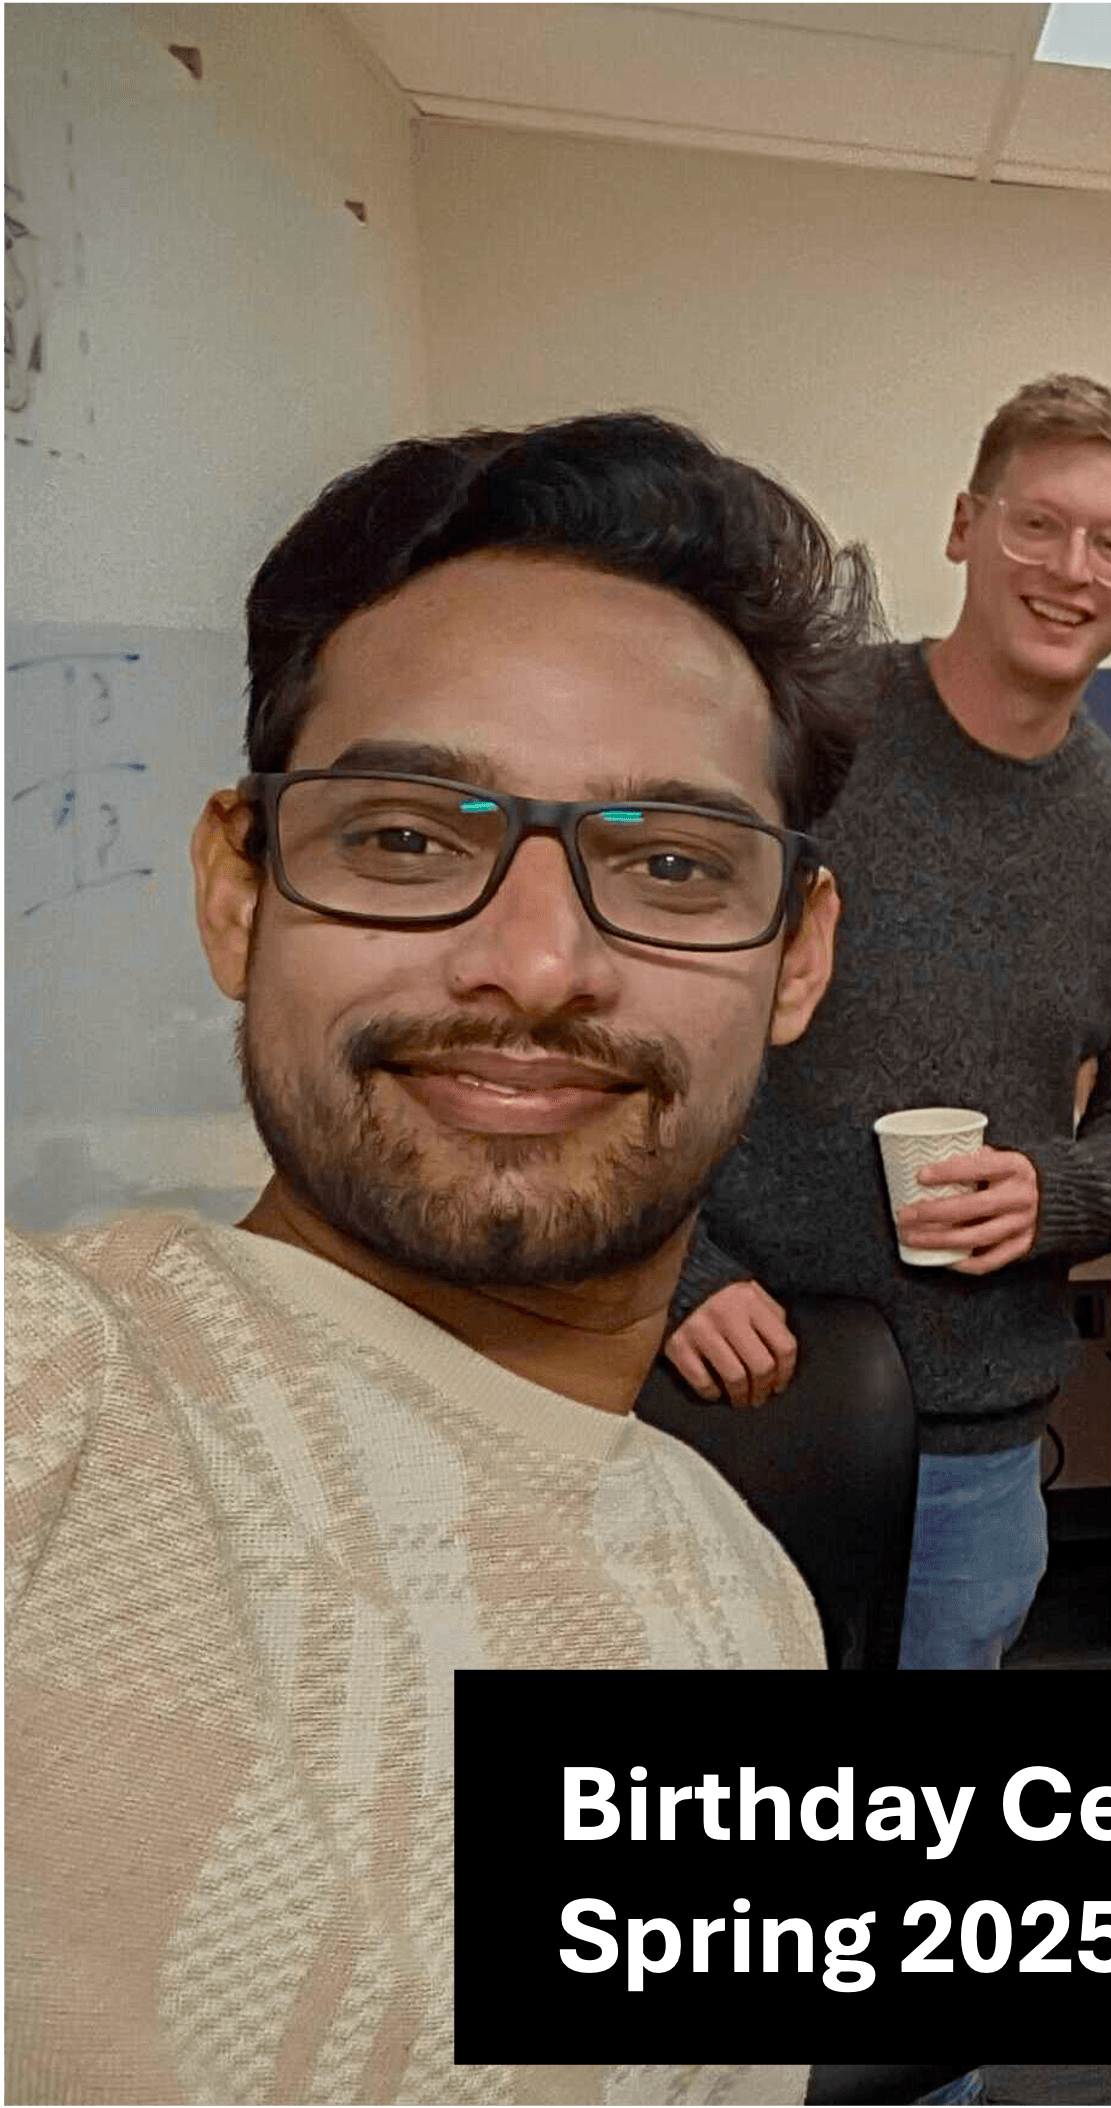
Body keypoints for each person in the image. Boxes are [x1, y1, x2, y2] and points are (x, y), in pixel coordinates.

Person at [3, 410, 880, 2103]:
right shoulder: (61, 1396)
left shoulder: (750, 1591)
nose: (536, 960)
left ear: (795, 957)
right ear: (239, 890)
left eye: (674, 862)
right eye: (407, 836)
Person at [665, 373, 1111, 1671]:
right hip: (729, 1376)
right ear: (965, 524)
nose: (1070, 569)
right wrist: (674, 1270)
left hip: (974, 1424)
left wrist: (1061, 1192)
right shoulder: (803, 737)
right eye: (1038, 524)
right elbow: (637, 1016)